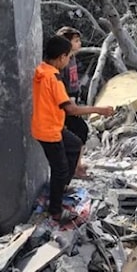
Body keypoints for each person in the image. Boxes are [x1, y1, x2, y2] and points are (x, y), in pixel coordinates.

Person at [32, 35, 114, 224]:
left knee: (75, 144)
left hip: (50, 126)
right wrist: (99, 110)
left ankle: (61, 187)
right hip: (49, 131)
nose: (69, 61)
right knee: (59, 169)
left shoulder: (41, 70)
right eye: (68, 57)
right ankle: (56, 211)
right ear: (61, 57)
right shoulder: (53, 79)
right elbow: (71, 109)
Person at [57, 26, 90, 179]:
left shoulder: (73, 59)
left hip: (72, 99)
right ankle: (73, 168)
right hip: (65, 102)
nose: (79, 44)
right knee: (79, 131)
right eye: (76, 41)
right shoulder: (63, 61)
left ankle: (77, 165)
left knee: (80, 132)